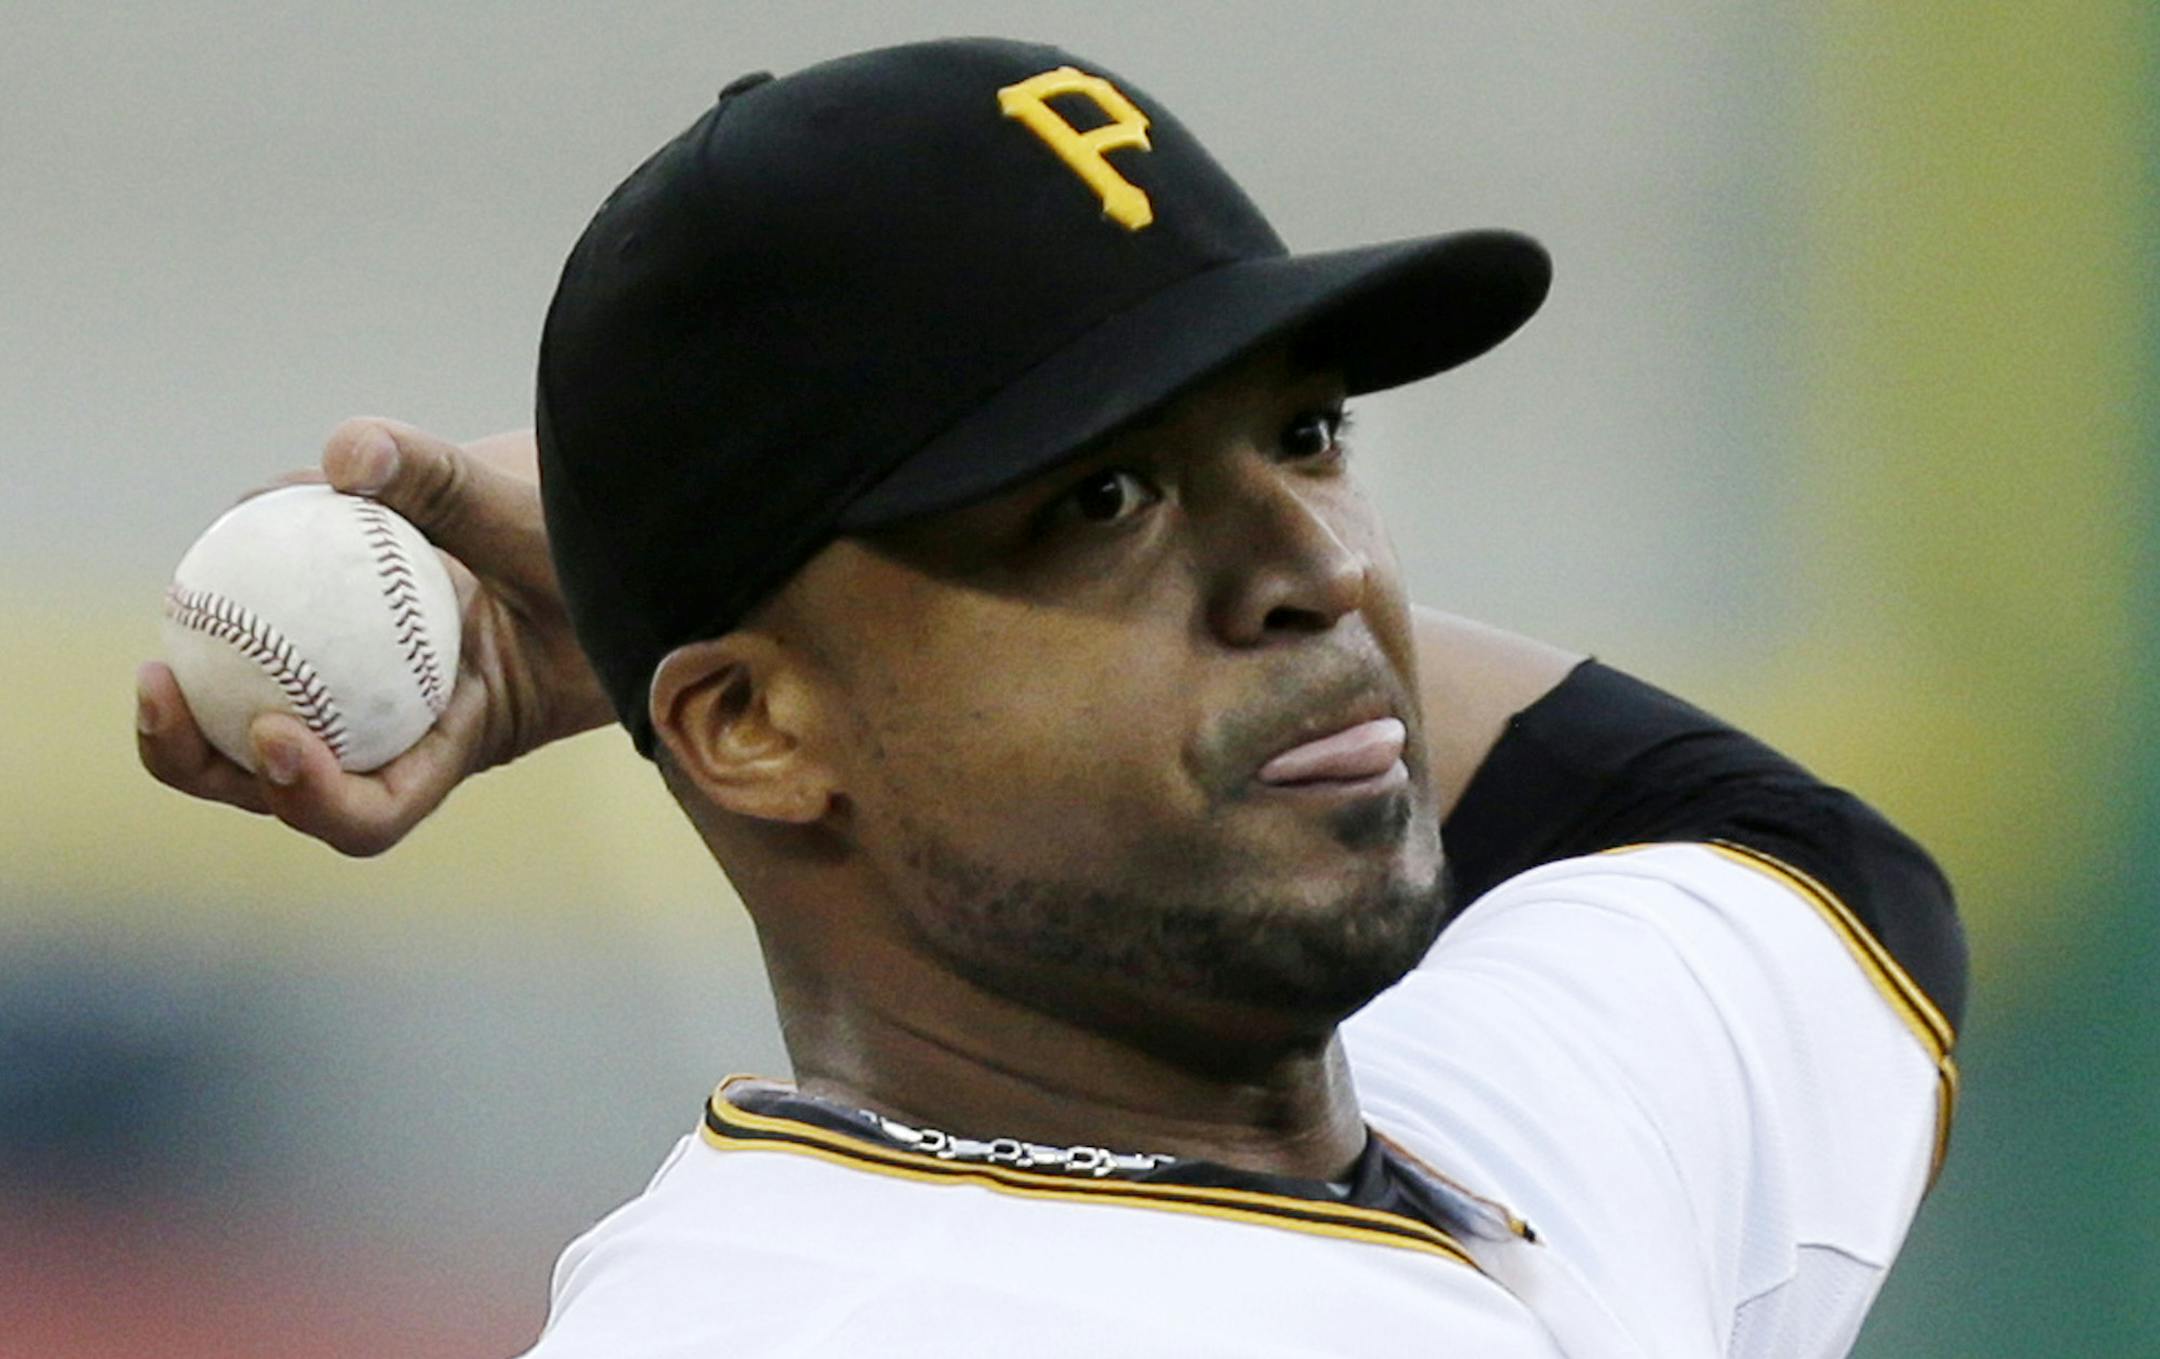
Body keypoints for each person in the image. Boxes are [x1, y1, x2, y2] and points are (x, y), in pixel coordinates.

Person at [134, 37, 1965, 1358]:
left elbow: (1783, 861)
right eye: (1101, 501)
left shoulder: (1512, 1125)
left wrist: (638, 600)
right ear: (749, 731)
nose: (1321, 572)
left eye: (1305, 432)